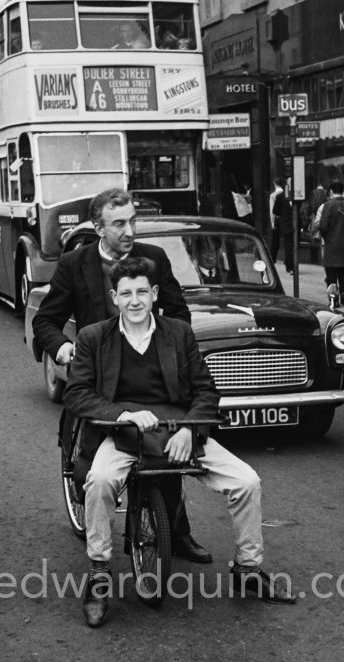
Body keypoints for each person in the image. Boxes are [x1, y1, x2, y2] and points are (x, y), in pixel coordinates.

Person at [62, 256, 297, 626]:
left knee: (246, 481)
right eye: (126, 293)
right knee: (100, 481)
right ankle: (99, 572)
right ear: (114, 297)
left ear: (155, 294)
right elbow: (76, 394)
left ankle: (248, 569)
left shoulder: (178, 334)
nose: (135, 301)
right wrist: (122, 415)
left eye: (142, 291)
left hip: (178, 428)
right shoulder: (94, 337)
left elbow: (205, 389)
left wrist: (190, 429)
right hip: (123, 433)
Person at [32, 188, 210, 564]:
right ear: (99, 227)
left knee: (166, 449)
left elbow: (179, 314)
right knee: (93, 469)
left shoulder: (154, 258)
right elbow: (45, 321)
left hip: (149, 374)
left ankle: (175, 529)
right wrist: (64, 349)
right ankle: (98, 544)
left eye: (133, 221)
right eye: (119, 224)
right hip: (99, 378)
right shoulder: (74, 264)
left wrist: (170, 351)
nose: (130, 230)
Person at [318, 181, 344, 306]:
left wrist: (326, 236)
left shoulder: (328, 205)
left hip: (331, 242)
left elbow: (323, 226)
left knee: (331, 271)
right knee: (342, 269)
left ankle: (334, 299)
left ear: (331, 192)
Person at [272, 179, 293, 274]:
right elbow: (275, 210)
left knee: (291, 245)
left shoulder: (298, 196)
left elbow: (275, 211)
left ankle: (290, 264)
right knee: (289, 246)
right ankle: (290, 265)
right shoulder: (280, 196)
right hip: (286, 225)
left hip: (291, 224)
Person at [269, 178, 284, 264]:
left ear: (275, 184)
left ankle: (273, 258)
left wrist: (272, 222)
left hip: (277, 219)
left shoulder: (273, 195)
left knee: (275, 240)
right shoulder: (286, 194)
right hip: (286, 219)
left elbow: (272, 210)